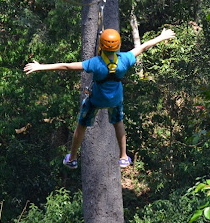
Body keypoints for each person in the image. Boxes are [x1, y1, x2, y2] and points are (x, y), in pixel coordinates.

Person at [23, 27, 176, 169]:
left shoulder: (95, 63)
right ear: (118, 45)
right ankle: (123, 156)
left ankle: (72, 158)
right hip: (114, 100)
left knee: (81, 125)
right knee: (118, 123)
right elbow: (143, 47)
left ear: (101, 46)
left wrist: (41, 66)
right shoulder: (125, 59)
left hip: (96, 100)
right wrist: (162, 37)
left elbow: (67, 66)